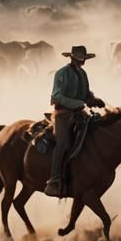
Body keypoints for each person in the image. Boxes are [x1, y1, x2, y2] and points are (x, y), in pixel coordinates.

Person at [44, 45, 105, 197]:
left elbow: (85, 95)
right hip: (62, 114)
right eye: (79, 60)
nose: (81, 62)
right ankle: (54, 179)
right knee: (63, 143)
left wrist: (93, 100)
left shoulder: (83, 74)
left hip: (78, 113)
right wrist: (78, 103)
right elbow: (57, 96)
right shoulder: (62, 73)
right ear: (71, 58)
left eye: (83, 60)